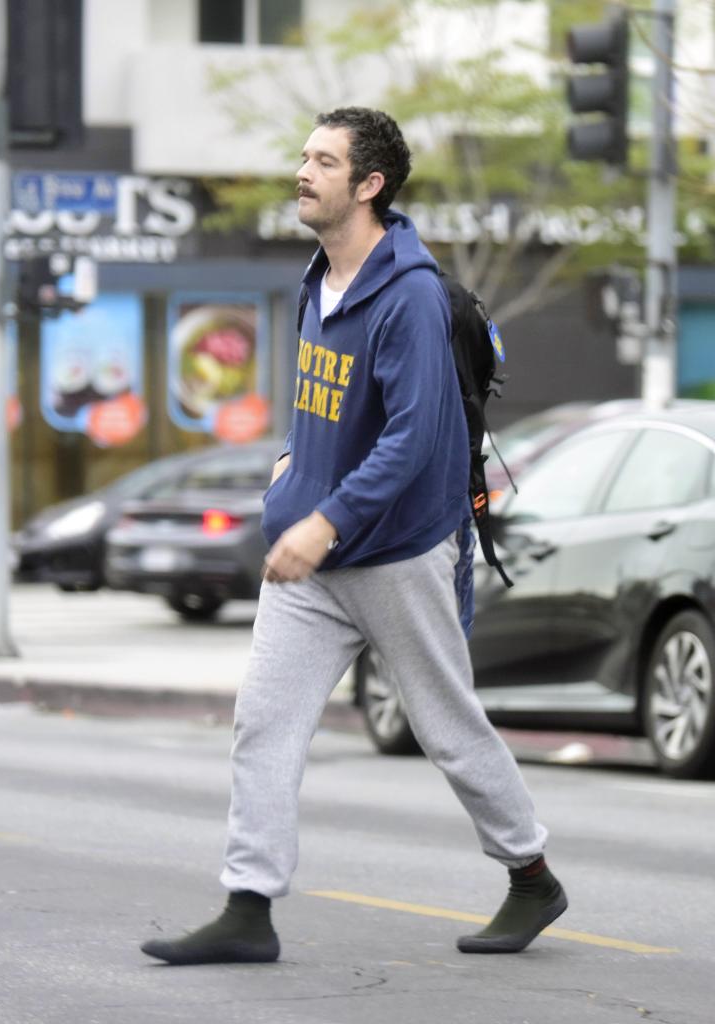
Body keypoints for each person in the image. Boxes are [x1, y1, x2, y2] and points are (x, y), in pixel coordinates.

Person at [141, 107, 566, 966]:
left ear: (368, 185)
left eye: (323, 161)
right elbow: (322, 398)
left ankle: (531, 876)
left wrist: (325, 520)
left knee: (447, 727)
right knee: (264, 723)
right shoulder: (317, 278)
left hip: (398, 554)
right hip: (315, 559)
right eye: (304, 155)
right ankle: (248, 906)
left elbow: (412, 439)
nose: (303, 171)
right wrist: (293, 462)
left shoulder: (405, 295)